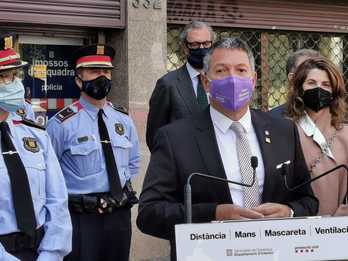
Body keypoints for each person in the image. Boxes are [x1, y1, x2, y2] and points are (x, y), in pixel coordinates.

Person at [137, 37, 318, 260]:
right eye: (221, 71)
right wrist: (214, 213)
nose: (232, 79)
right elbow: (149, 213)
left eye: (241, 70)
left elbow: (308, 201)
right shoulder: (175, 137)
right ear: (205, 82)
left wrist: (288, 212)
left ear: (253, 80)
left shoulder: (284, 131)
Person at [46, 44, 141, 261]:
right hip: (82, 219)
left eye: (106, 72)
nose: (102, 77)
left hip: (119, 214)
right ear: (79, 78)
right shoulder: (61, 124)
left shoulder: (123, 120)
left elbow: (133, 163)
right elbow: (50, 176)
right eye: (94, 71)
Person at [0, 35, 72, 261]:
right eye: (3, 77)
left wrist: (51, 254)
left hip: (41, 251)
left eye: (14, 75)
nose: (14, 84)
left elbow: (57, 201)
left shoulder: (35, 134)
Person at [286, 57, 348, 216]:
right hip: (297, 226)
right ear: (300, 89)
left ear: (334, 92)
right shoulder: (286, 131)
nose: (318, 89)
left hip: (339, 227)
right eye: (311, 83)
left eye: (326, 85)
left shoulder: (345, 133)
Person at [146, 20, 214, 151]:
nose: (201, 49)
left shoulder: (222, 80)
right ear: (185, 48)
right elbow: (155, 137)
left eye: (206, 44)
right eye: (195, 45)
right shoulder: (167, 84)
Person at [269, 49, 320, 118]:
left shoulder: (334, 114)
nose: (315, 73)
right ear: (292, 78)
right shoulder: (274, 118)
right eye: (307, 69)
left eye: (320, 68)